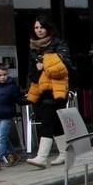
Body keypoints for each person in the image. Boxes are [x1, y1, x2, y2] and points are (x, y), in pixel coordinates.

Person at [24, 15, 74, 168]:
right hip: (41, 90)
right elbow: (31, 71)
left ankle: (41, 157)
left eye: (42, 27)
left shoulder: (59, 44)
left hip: (57, 90)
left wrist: (44, 65)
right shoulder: (33, 46)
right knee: (56, 121)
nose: (39, 30)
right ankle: (65, 154)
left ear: (48, 28)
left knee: (47, 121)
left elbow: (65, 66)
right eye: (36, 27)